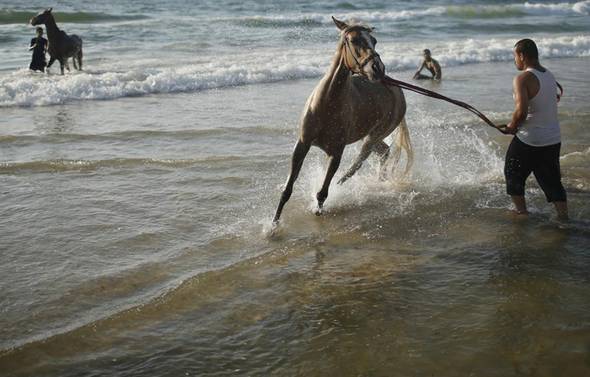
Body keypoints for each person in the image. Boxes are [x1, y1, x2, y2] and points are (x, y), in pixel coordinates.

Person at [498, 38, 568, 220]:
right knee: (552, 181)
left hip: (530, 139)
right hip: (552, 138)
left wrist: (512, 127)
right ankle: (563, 217)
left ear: (522, 55)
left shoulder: (522, 78)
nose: (515, 61)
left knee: (512, 173)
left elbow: (521, 112)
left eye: (515, 56)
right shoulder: (549, 74)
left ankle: (521, 211)